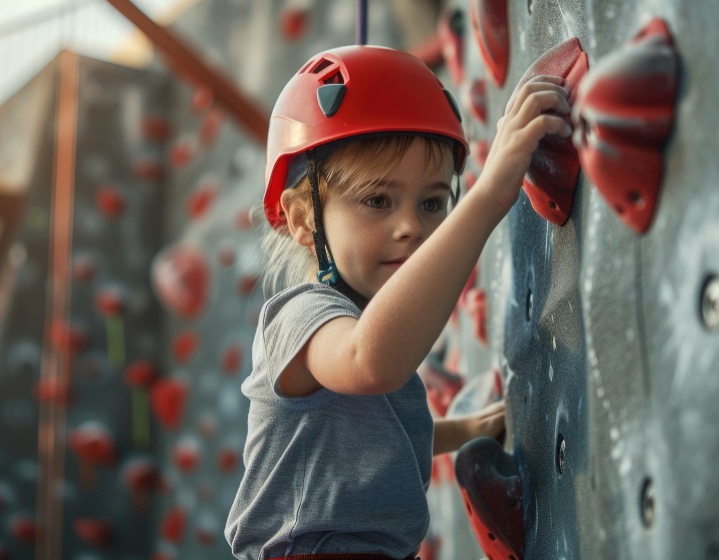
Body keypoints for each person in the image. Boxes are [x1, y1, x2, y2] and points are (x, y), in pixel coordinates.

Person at [225, 44, 571, 560]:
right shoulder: (300, 319)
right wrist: (490, 193)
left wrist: (467, 430)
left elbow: (368, 441)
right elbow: (372, 361)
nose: (411, 227)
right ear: (303, 220)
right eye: (377, 200)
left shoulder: (365, 327)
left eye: (432, 203)